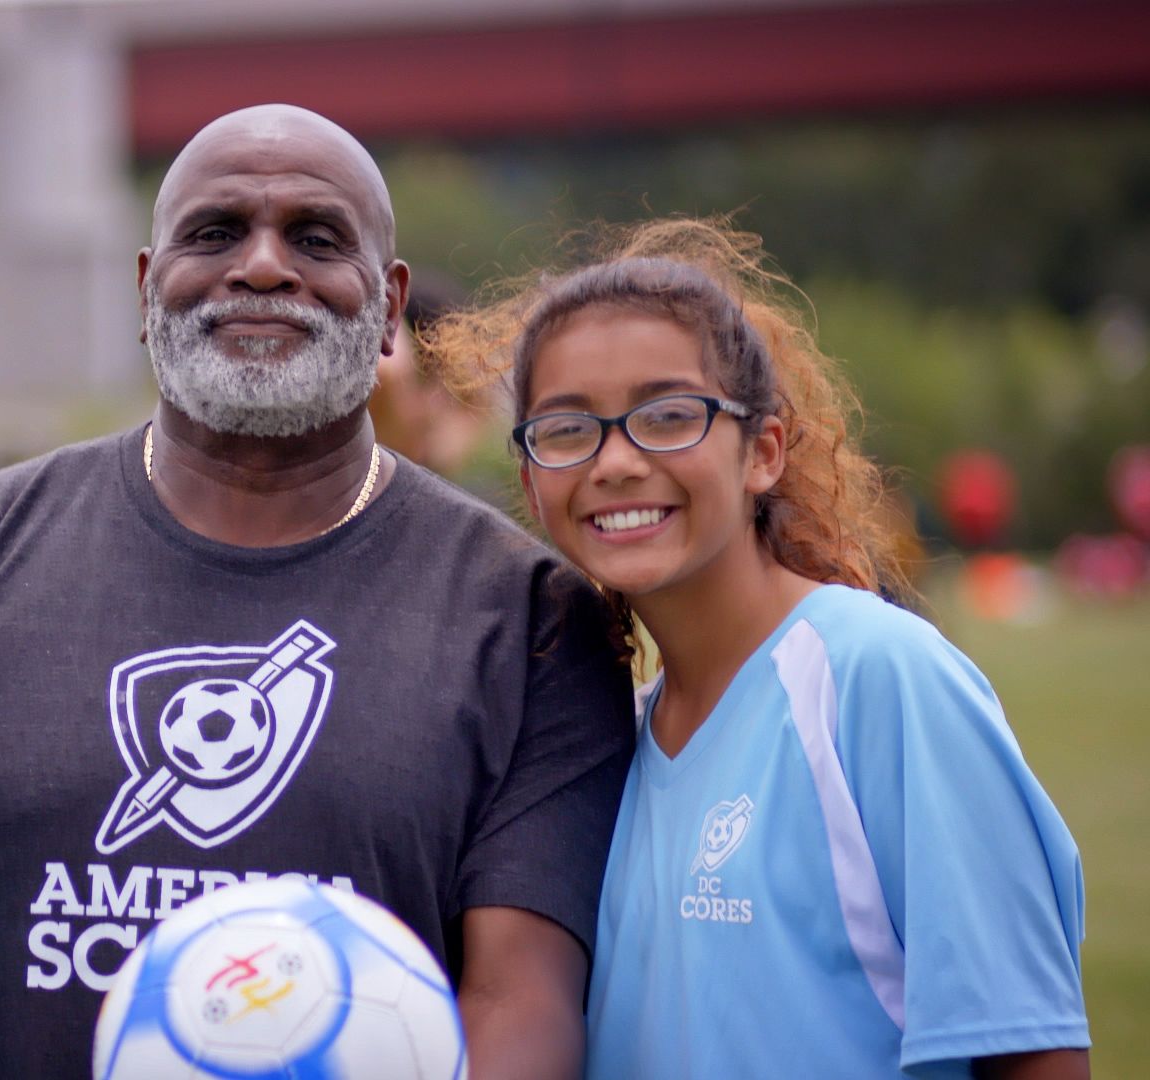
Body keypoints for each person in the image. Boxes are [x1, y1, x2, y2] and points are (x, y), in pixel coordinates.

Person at [0, 104, 636, 1078]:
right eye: (215, 232)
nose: (263, 265)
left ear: (391, 305)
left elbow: (520, 1002)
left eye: (316, 238)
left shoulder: (530, 619)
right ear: (148, 290)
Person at [428, 218, 1090, 1078]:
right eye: (566, 429)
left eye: (667, 416)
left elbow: (1034, 1052)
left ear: (763, 452)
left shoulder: (878, 677)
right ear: (529, 481)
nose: (616, 461)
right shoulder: (607, 743)